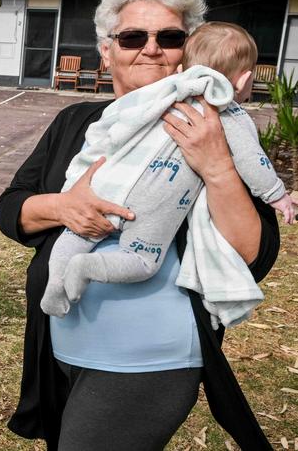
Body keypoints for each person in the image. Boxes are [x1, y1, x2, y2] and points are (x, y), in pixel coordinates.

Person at [0, 0, 279, 450]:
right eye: (132, 37)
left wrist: (216, 167)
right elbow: (11, 210)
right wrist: (65, 207)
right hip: (62, 344)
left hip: (149, 357)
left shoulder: (219, 126)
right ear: (107, 53)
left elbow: (255, 255)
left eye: (169, 37)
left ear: (187, 52)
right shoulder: (78, 121)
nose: (151, 48)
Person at [41, 21, 295, 319]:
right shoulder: (224, 109)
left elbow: (119, 120)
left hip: (112, 186)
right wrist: (277, 195)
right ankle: (88, 267)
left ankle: (56, 283)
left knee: (75, 236)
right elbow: (252, 160)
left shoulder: (163, 93)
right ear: (244, 80)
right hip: (153, 203)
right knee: (141, 260)